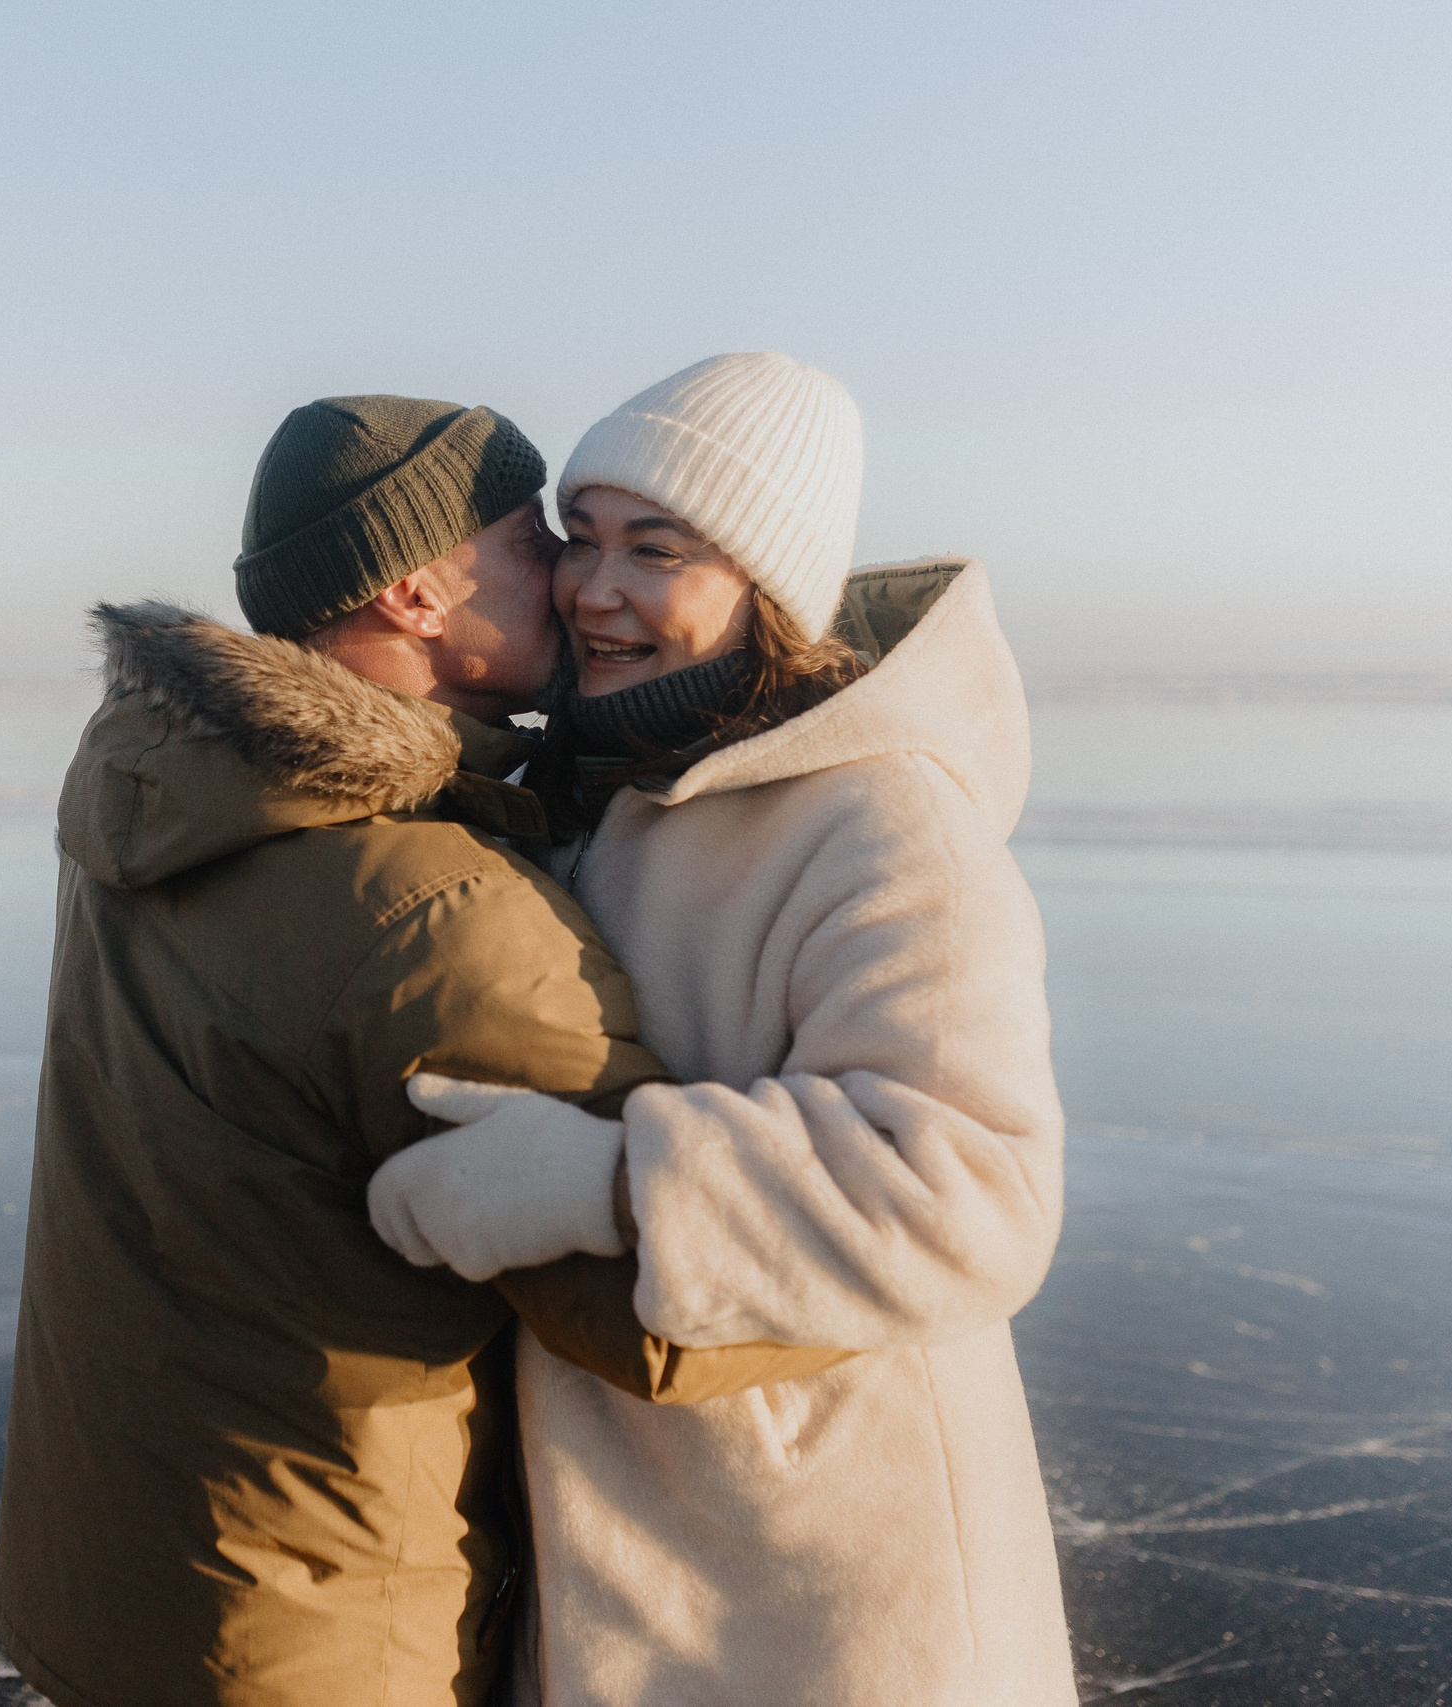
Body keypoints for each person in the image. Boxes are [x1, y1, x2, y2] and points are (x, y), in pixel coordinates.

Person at [0, 394, 837, 1707]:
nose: (573, 584)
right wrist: (918, 1218)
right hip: (327, 1643)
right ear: (416, 593)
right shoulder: (431, 914)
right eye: (536, 542)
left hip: (117, 1590)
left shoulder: (167, 792)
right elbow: (675, 1322)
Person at [368, 354, 1076, 1705]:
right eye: (582, 538)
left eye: (658, 550)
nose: (594, 589)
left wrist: (609, 1180)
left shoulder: (882, 821)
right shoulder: (609, 790)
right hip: (625, 1559)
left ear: (770, 590)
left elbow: (976, 1191)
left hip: (820, 1596)